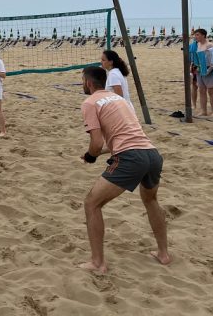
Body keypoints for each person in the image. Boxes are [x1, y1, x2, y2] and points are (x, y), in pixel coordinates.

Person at [79, 66, 171, 273]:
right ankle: (163, 254)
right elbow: (123, 138)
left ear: (88, 83)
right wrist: (95, 154)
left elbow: (96, 143)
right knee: (151, 200)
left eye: (82, 80)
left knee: (92, 203)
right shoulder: (119, 100)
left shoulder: (90, 102)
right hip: (152, 154)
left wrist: (91, 156)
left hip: (131, 158)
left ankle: (97, 263)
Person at [191, 28, 213, 116]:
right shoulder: (196, 45)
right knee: (201, 90)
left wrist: (208, 70)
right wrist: (195, 68)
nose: (195, 37)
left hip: (210, 69)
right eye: (195, 35)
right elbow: (194, 58)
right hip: (199, 69)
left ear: (203, 35)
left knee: (211, 91)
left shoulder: (210, 45)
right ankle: (204, 111)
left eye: (197, 35)